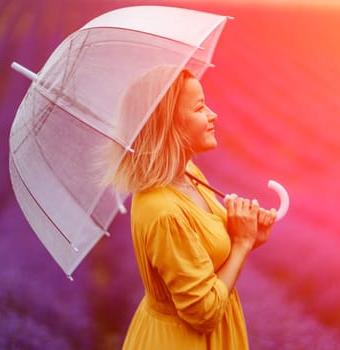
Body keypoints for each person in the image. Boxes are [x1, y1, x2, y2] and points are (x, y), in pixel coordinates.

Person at [108, 67, 277, 349]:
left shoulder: (188, 173)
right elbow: (203, 312)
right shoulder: (164, 212)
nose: (213, 115)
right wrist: (242, 244)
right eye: (199, 108)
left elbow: (203, 261)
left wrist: (248, 238)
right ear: (168, 124)